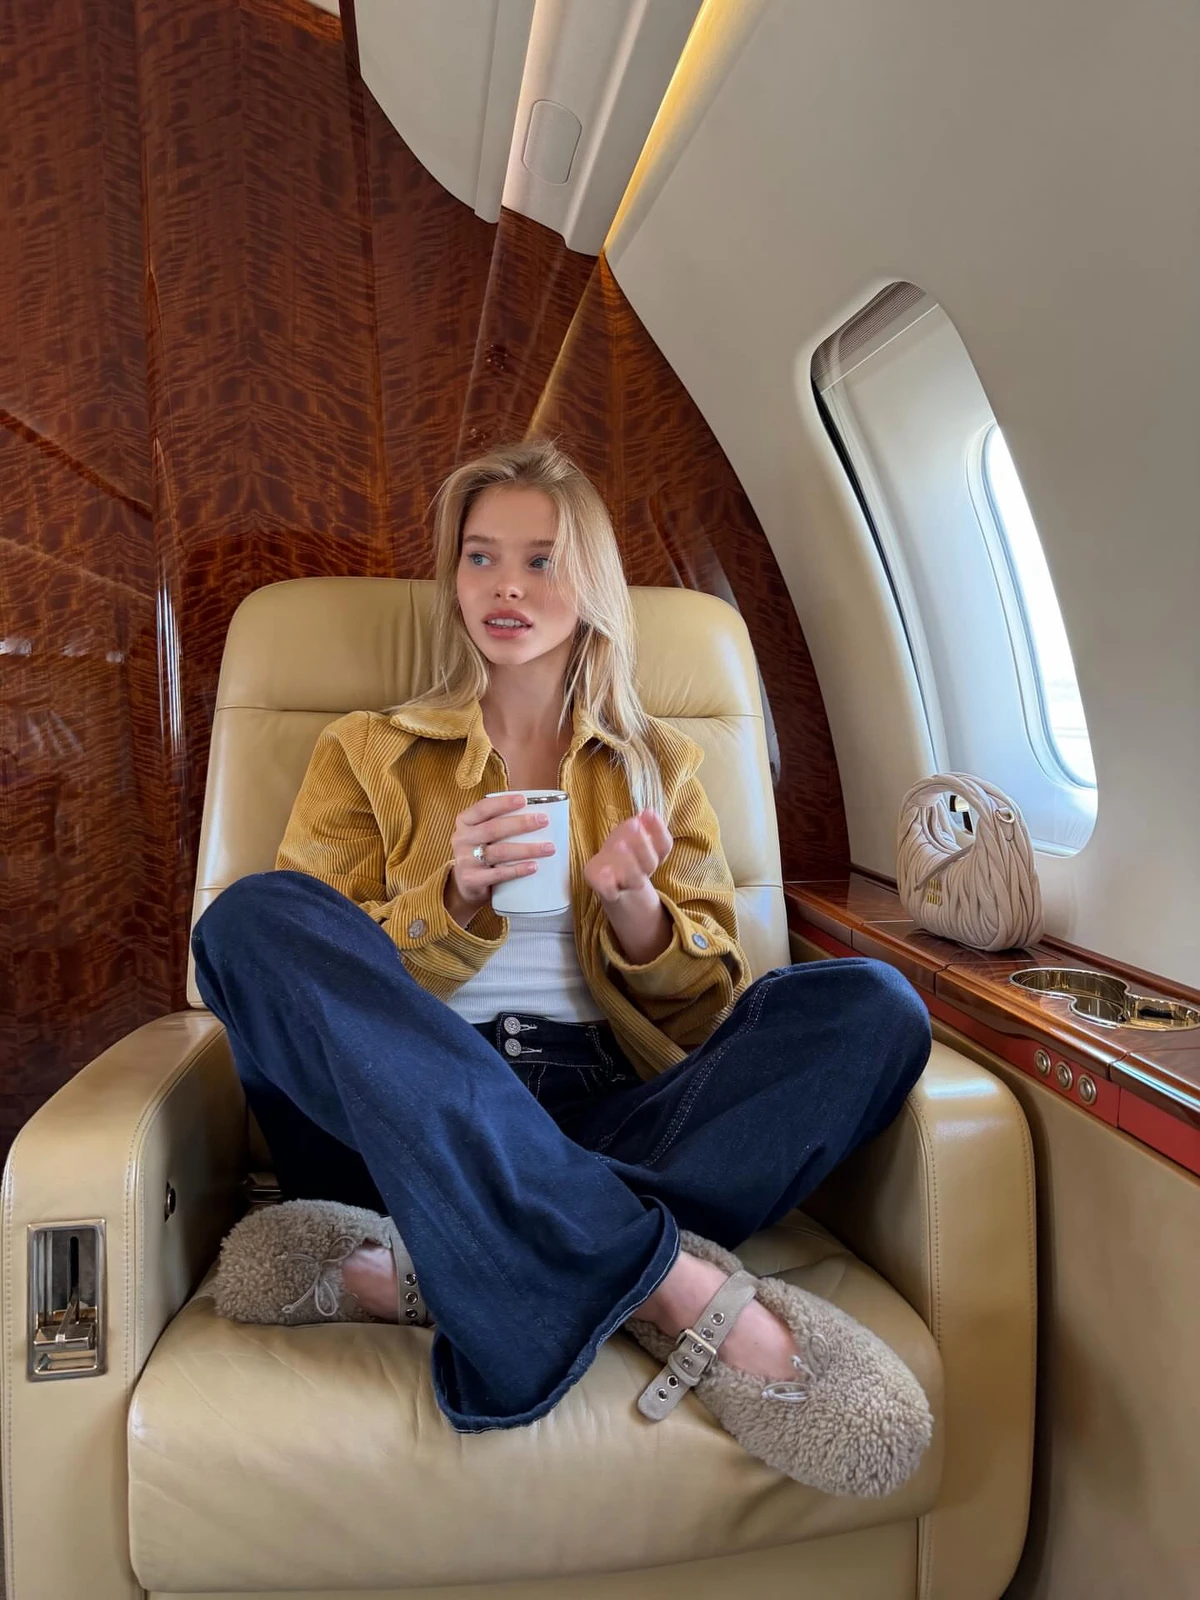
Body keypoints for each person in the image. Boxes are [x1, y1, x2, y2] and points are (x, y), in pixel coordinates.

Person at [191, 440, 934, 1499]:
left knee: (873, 1005)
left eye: (541, 560)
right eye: (482, 557)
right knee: (251, 920)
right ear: (453, 577)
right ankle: (666, 1282)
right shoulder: (365, 749)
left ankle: (449, 1261)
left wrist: (637, 913)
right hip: (402, 1127)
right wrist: (450, 901)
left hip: (604, 1109)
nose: (507, 586)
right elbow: (321, 981)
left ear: (590, 585)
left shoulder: (659, 767)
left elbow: (709, 1014)